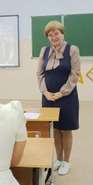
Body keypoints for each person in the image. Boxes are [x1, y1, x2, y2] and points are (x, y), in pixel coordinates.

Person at [36, 20, 81, 175]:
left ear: (62, 33)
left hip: (67, 96)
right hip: (48, 97)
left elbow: (75, 75)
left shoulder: (72, 49)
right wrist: (45, 92)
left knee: (66, 129)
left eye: (56, 33)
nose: (54, 37)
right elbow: (40, 74)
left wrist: (61, 93)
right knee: (54, 128)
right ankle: (58, 159)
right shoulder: (44, 51)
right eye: (50, 35)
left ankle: (66, 161)